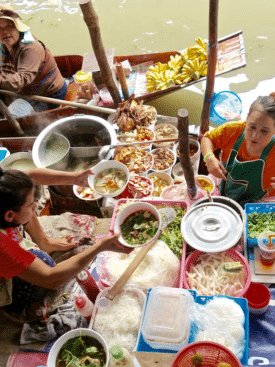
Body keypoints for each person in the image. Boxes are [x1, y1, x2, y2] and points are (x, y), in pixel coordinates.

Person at [0, 167, 131, 318]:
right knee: (45, 263)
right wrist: (99, 247)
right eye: (31, 204)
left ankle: (44, 242)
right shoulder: (3, 247)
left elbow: (30, 177)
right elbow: (51, 277)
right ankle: (19, 306)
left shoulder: (4, 186)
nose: (36, 206)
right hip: (7, 281)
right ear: (9, 215)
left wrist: (76, 178)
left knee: (23, 199)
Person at [201, 95, 275, 206]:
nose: (255, 136)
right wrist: (209, 157)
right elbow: (208, 138)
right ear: (246, 120)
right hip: (223, 180)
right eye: (252, 127)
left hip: (258, 200)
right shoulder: (232, 130)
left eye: (264, 131)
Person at [0, 4, 67, 116]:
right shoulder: (4, 44)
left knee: (10, 118)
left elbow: (22, 80)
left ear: (17, 27)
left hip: (47, 94)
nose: (4, 32)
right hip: (23, 90)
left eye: (9, 26)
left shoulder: (30, 48)